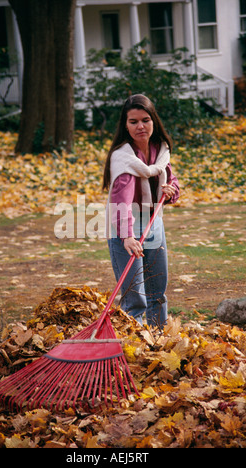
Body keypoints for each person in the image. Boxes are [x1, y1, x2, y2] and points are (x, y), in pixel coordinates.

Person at [103, 94, 180, 328]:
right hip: (124, 228)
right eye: (133, 121)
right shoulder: (123, 158)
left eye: (145, 120)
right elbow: (121, 201)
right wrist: (127, 236)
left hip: (152, 223)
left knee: (157, 291)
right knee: (135, 298)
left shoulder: (160, 151)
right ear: (125, 126)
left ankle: (158, 341)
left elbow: (171, 178)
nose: (140, 126)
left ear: (153, 121)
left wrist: (171, 190)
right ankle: (133, 348)